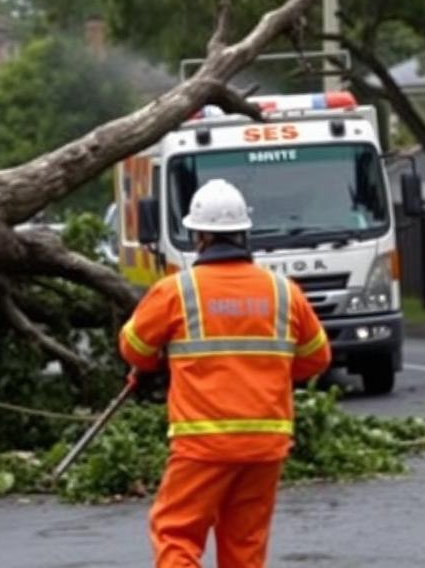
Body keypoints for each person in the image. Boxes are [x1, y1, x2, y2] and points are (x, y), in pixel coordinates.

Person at [118, 178, 331, 567]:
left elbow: (134, 348)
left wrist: (165, 358)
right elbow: (316, 358)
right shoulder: (284, 291)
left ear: (198, 235)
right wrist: (268, 371)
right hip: (266, 443)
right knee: (245, 545)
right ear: (244, 233)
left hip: (203, 443)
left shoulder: (175, 291)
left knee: (177, 533)